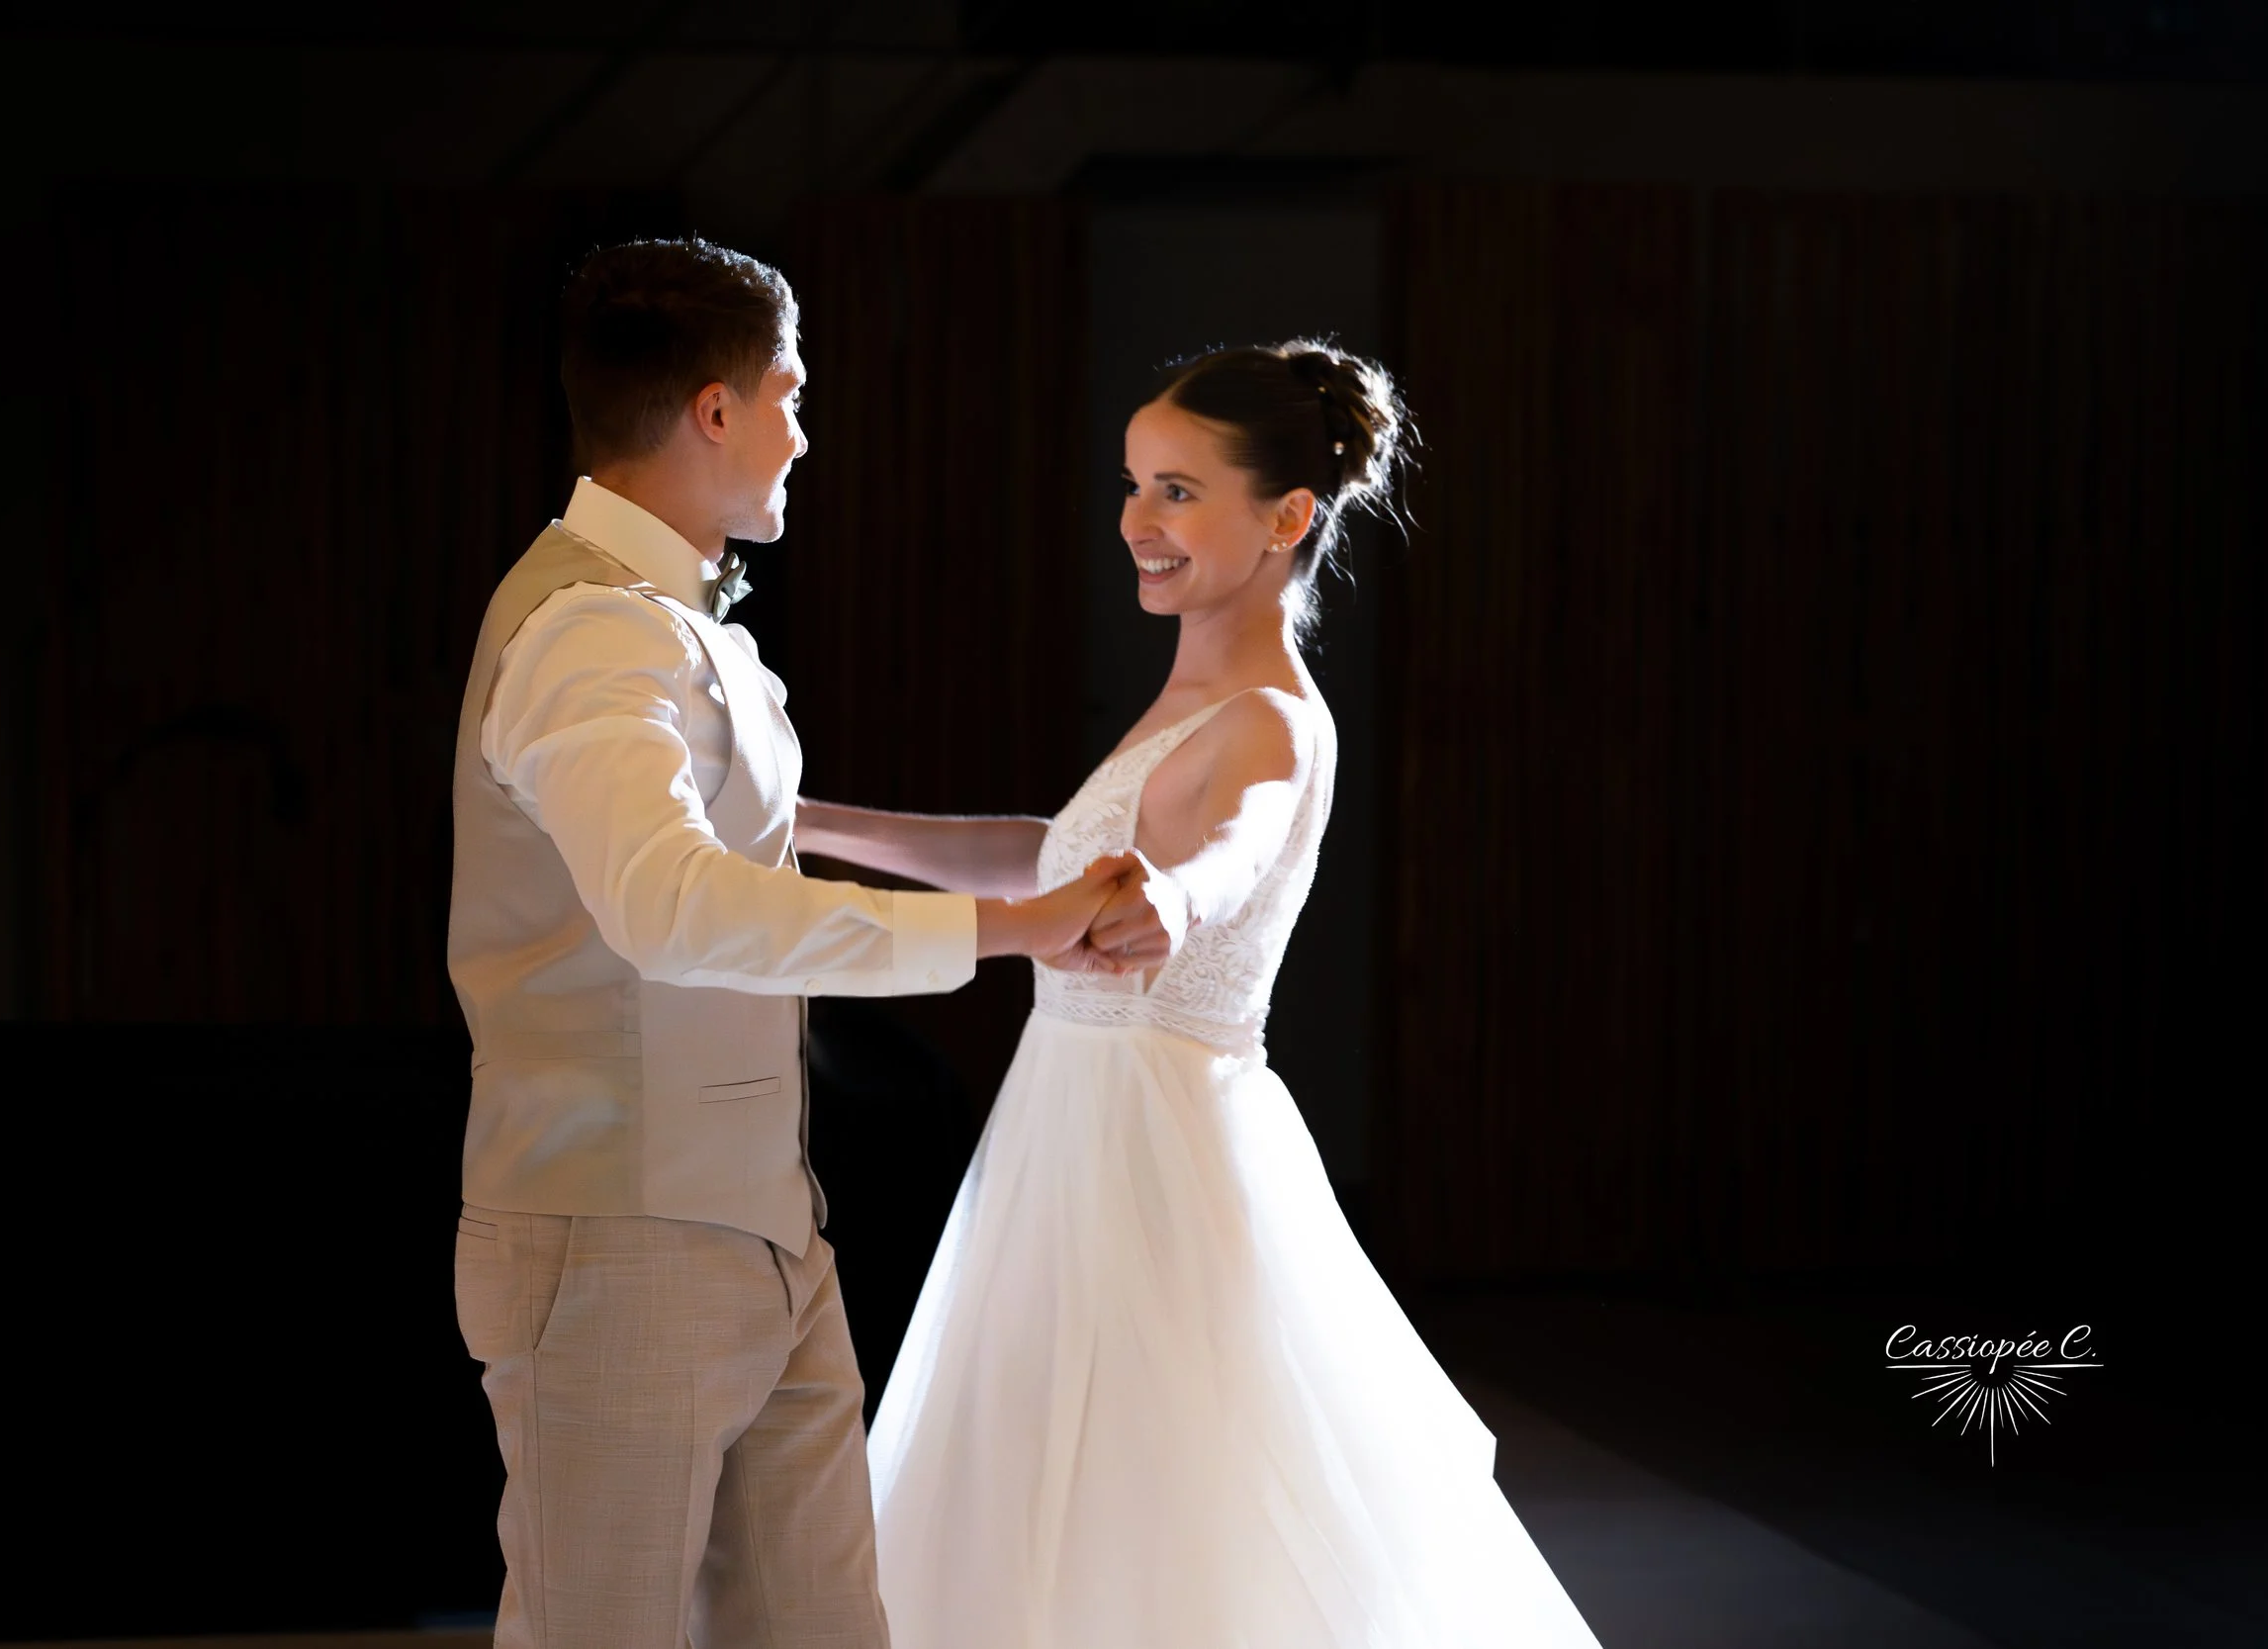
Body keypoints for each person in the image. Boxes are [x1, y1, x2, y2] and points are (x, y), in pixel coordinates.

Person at [800, 340, 1608, 1646]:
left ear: (1286, 519)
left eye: (1178, 491)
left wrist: (1178, 902)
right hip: (1069, 1132)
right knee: (1046, 1496)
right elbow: (1048, 854)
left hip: (1150, 1150)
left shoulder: (1272, 717)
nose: (1138, 520)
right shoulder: (1189, 695)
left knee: (1154, 1511)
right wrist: (805, 822)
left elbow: (1237, 846)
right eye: (1132, 485)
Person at [444, 236, 1141, 1649]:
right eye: (792, 396)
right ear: (715, 410)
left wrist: (1043, 856)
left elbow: (761, 837)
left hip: (766, 1225)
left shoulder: (667, 621)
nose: (803, 436)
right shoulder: (591, 632)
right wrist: (1007, 931)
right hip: (619, 1231)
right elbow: (674, 905)